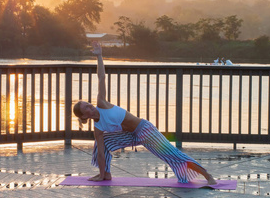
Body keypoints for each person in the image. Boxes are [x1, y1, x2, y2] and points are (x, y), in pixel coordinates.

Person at [73, 42, 217, 185]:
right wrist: (101, 174)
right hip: (131, 136)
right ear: (84, 116)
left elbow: (101, 78)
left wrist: (99, 56)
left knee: (172, 155)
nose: (90, 105)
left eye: (88, 103)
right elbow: (100, 154)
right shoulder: (98, 128)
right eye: (86, 107)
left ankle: (207, 175)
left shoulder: (101, 103)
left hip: (144, 130)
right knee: (101, 143)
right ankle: (105, 174)